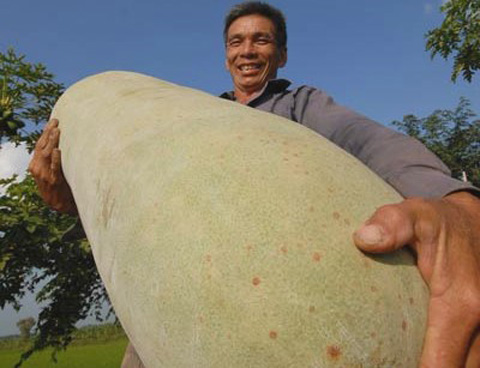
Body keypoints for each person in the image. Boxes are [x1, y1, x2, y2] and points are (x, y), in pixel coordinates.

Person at [29, 2, 480, 367]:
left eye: (261, 40)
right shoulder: (202, 117)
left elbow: (371, 141)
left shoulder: (302, 105)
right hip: (172, 321)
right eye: (237, 41)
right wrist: (75, 203)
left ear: (280, 55)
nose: (247, 50)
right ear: (225, 54)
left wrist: (458, 204)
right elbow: (141, 225)